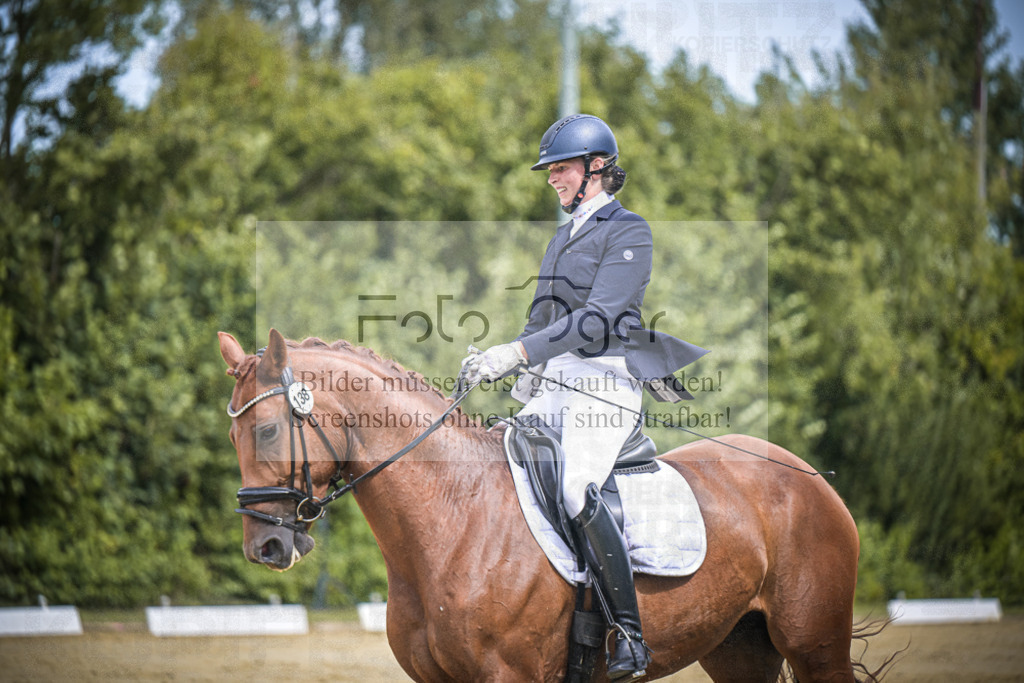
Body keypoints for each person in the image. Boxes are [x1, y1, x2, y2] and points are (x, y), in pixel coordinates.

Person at [463, 113, 707, 681]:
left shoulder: (629, 231)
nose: (551, 178)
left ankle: (627, 634)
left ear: (597, 168)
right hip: (557, 380)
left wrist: (518, 354)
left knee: (577, 484)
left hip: (606, 380)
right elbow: (544, 314)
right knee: (501, 455)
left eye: (561, 168)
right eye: (550, 170)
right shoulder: (563, 235)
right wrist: (519, 366)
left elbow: (598, 319)